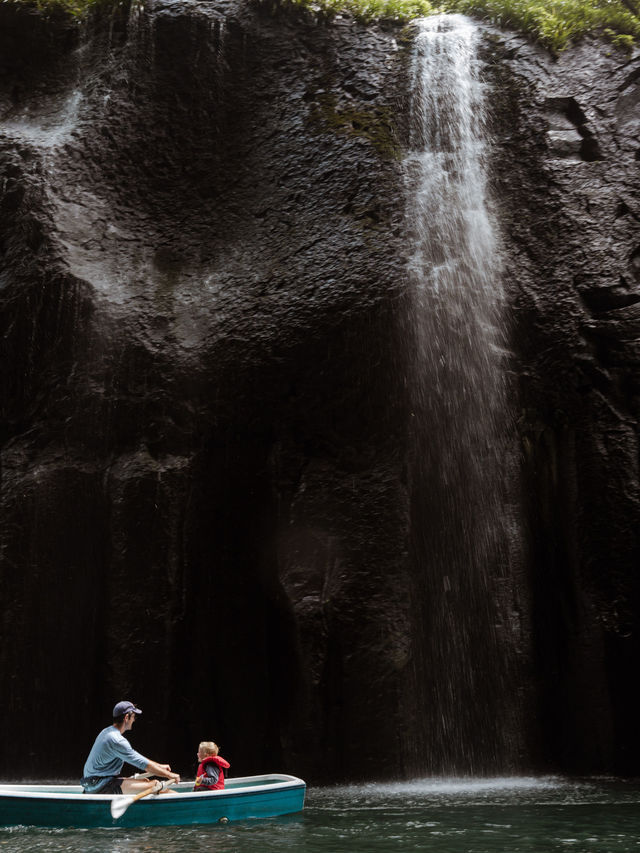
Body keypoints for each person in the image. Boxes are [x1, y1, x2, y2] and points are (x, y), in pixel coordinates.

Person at [81, 701, 180, 795]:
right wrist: (170, 775)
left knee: (144, 781)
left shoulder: (106, 732)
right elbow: (143, 764)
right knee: (154, 785)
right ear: (126, 717)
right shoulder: (117, 740)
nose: (134, 720)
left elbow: (142, 761)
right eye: (134, 716)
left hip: (92, 783)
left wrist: (160, 767)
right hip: (99, 785)